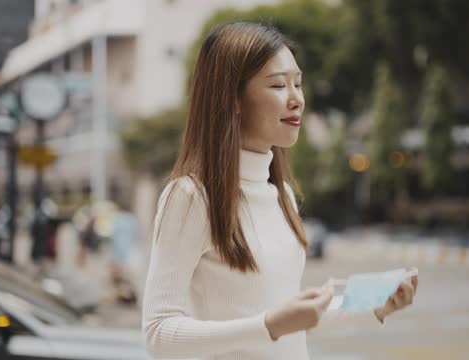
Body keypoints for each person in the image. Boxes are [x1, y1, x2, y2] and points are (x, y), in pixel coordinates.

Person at [142, 21, 419, 359]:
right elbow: (158, 333)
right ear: (233, 98)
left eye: (298, 84)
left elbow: (289, 322)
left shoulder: (281, 194)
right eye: (278, 85)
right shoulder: (190, 198)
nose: (296, 99)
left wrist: (377, 302)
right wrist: (268, 325)